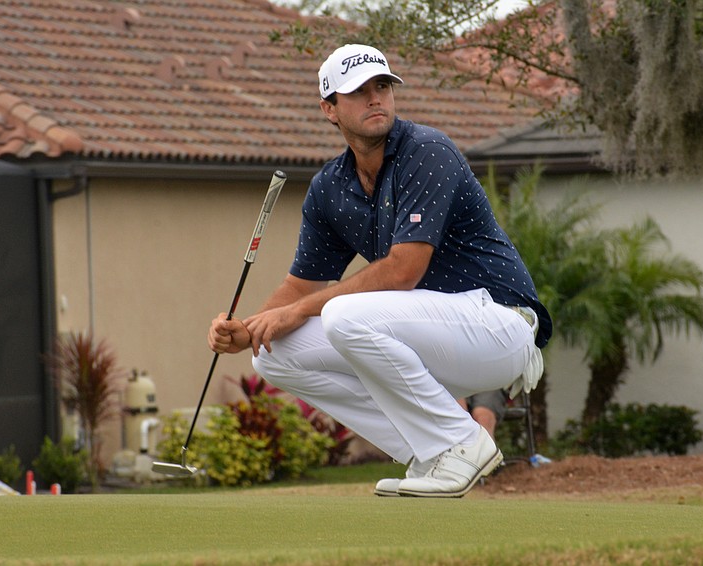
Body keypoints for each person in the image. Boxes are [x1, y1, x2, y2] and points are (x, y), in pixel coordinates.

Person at [208, 44, 551, 498]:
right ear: (329, 109)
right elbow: (301, 285)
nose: (375, 98)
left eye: (383, 86)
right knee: (275, 354)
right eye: (359, 91)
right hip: (432, 335)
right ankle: (428, 454)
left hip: (501, 325)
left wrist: (300, 311)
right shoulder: (330, 187)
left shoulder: (428, 150)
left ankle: (465, 442)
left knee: (344, 316)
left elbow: (403, 270)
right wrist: (249, 328)